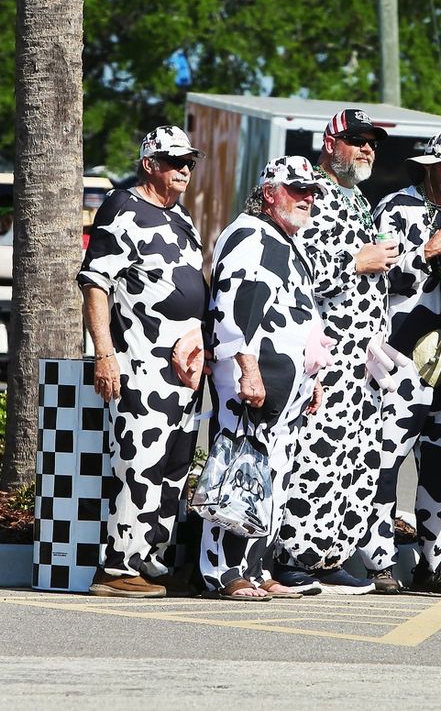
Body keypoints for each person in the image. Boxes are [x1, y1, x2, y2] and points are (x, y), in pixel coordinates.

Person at [81, 125, 207, 599]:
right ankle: (119, 566)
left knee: (174, 467)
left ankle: (152, 561)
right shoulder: (122, 207)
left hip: (184, 373)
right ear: (149, 164)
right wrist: (104, 354)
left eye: (189, 162)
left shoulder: (182, 216)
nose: (184, 169)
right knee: (139, 463)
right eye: (174, 161)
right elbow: (96, 282)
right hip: (141, 364)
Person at [272, 109, 396, 595]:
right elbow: (299, 269)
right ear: (330, 143)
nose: (366, 149)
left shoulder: (360, 199)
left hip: (365, 358)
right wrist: (356, 262)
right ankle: (295, 556)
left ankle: (332, 554)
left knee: (356, 459)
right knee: (316, 455)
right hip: (328, 354)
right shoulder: (313, 196)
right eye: (356, 140)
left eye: (372, 142)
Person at [365, 129, 441, 594]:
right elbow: (377, 276)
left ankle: (433, 560)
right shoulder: (395, 208)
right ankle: (379, 558)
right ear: (430, 168)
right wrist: (426, 252)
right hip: (401, 356)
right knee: (387, 457)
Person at [202, 156, 326, 600]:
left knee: (272, 474)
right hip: (250, 380)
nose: (307, 198)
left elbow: (301, 314)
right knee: (237, 469)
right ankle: (224, 571)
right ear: (270, 193)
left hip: (286, 388)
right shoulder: (250, 234)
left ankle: (258, 567)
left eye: (312, 192)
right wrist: (248, 370)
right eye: (298, 189)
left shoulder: (285, 240)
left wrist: (312, 379)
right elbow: (234, 307)